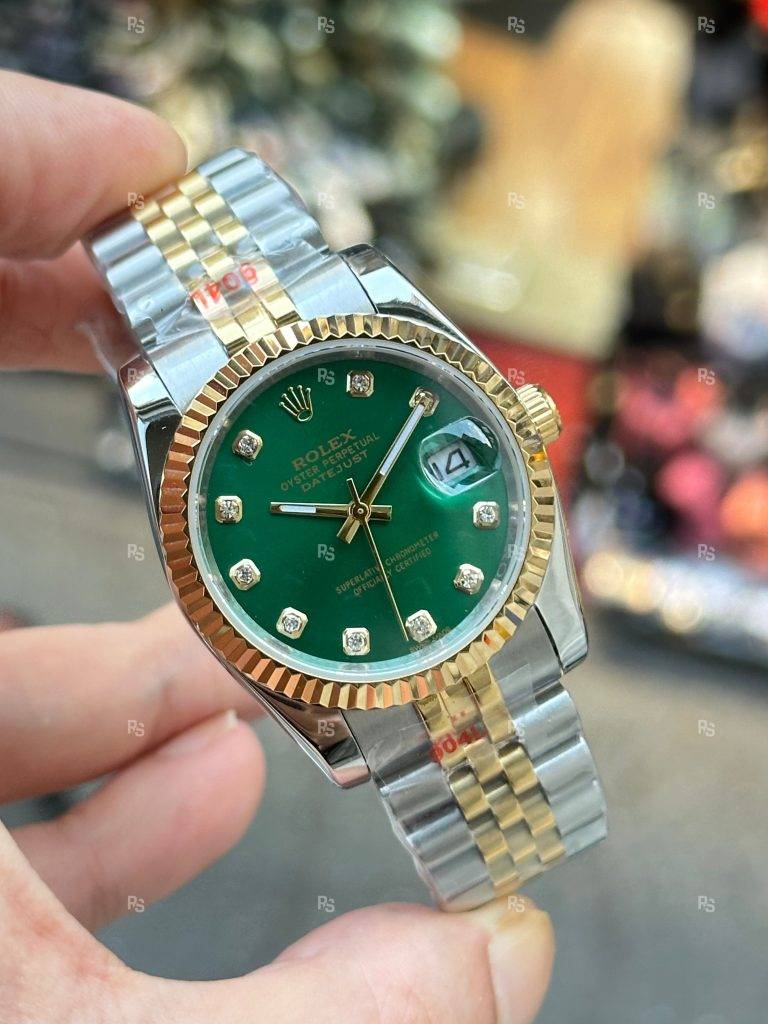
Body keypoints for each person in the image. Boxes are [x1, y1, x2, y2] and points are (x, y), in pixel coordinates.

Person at [0, 70, 554, 1024]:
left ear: (521, 420)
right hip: (364, 648)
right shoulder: (181, 405)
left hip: (428, 613)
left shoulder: (371, 302)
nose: (359, 511)